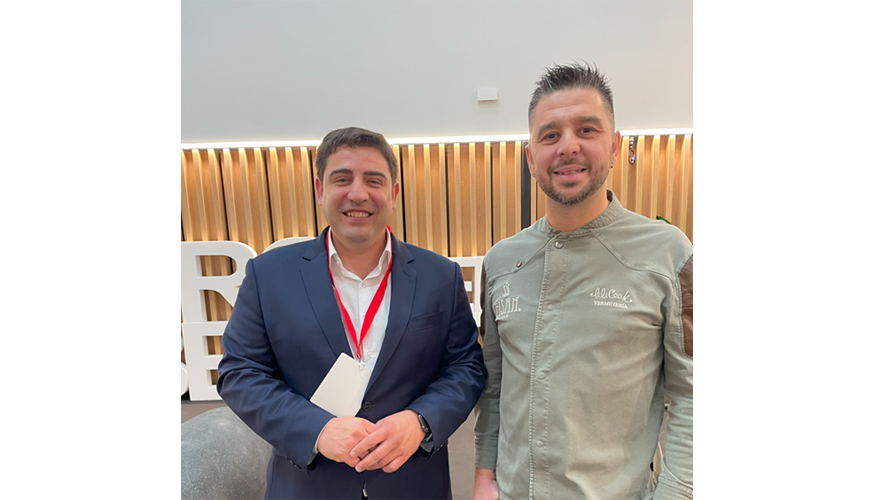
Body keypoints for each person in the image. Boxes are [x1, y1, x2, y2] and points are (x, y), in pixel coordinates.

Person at [218, 126, 487, 499]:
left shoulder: (439, 275)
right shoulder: (269, 275)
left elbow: (466, 367)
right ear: (319, 190)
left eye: (373, 180)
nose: (358, 193)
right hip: (308, 486)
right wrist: (316, 430)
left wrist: (420, 421)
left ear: (393, 194)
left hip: (411, 483)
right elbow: (240, 372)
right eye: (342, 179)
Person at [472, 63, 693, 500]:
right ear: (530, 155)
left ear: (613, 147)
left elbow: (694, 395)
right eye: (549, 135)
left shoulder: (667, 253)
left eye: (587, 130)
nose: (567, 147)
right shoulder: (501, 261)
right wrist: (484, 476)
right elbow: (495, 388)